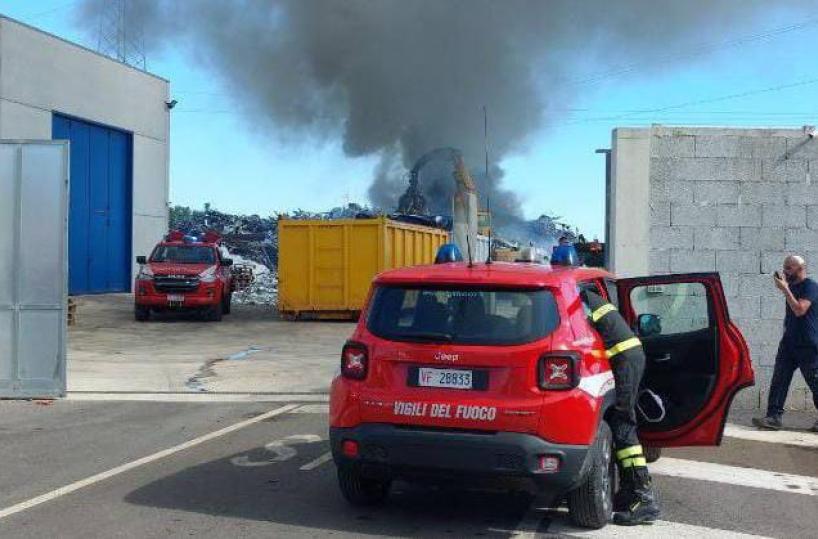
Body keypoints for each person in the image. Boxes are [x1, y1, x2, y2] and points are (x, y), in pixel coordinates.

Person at [580, 288, 661, 525]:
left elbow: (578, 335)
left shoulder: (578, 299)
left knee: (623, 424)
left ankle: (643, 497)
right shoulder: (587, 294)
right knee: (621, 421)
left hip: (625, 360)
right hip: (629, 357)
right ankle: (628, 491)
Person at [752, 255, 818, 432]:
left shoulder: (810, 286)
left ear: (800, 269)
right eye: (784, 267)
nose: (785, 272)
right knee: (779, 380)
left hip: (807, 345)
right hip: (788, 344)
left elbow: (799, 310)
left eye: (789, 268)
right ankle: (773, 417)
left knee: (815, 382)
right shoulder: (792, 287)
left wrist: (785, 290)